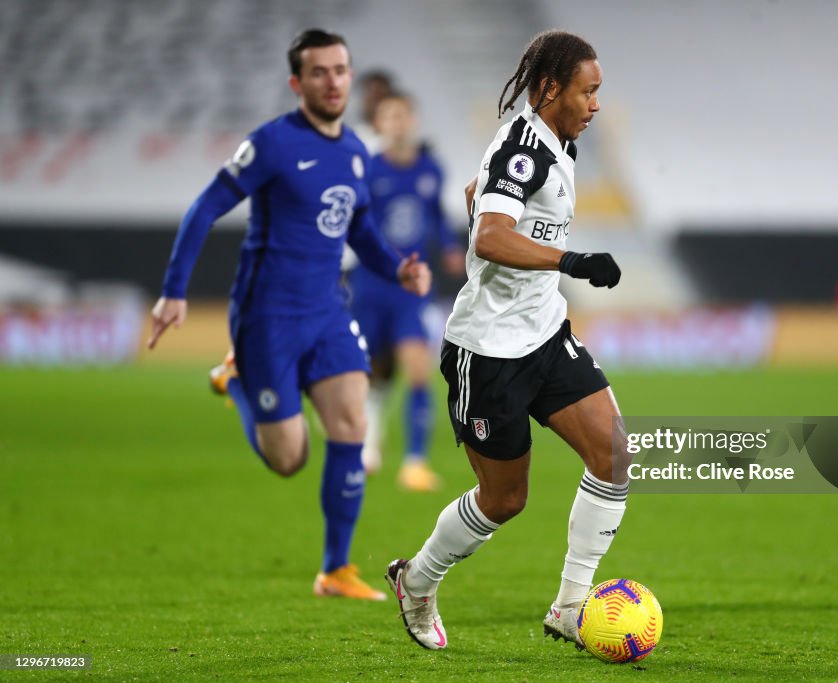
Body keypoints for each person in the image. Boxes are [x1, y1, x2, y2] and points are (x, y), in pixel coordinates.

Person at [147, 29, 431, 601]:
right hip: (267, 319)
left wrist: (398, 268)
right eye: (319, 72)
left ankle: (335, 570)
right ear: (297, 82)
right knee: (290, 459)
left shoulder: (355, 151)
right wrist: (174, 290)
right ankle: (237, 380)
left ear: (351, 77)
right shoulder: (273, 144)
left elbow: (361, 231)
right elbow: (205, 207)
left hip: (328, 311)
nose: (332, 81)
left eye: (341, 70)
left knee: (350, 425)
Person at [385, 30, 624, 651]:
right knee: (504, 499)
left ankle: (571, 608)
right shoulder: (526, 148)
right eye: (588, 91)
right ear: (551, 89)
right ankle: (417, 579)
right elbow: (490, 235)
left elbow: (477, 196)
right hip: (488, 351)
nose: (597, 104)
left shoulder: (557, 142)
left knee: (613, 456)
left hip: (543, 333)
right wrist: (570, 261)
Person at [349, 91, 465, 491]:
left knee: (418, 371)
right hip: (371, 283)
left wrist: (450, 246)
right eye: (389, 116)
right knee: (371, 372)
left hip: (411, 288)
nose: (397, 123)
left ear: (412, 120)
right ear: (379, 125)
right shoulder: (367, 169)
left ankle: (415, 463)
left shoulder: (430, 169)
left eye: (402, 115)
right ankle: (367, 444)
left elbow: (434, 215)